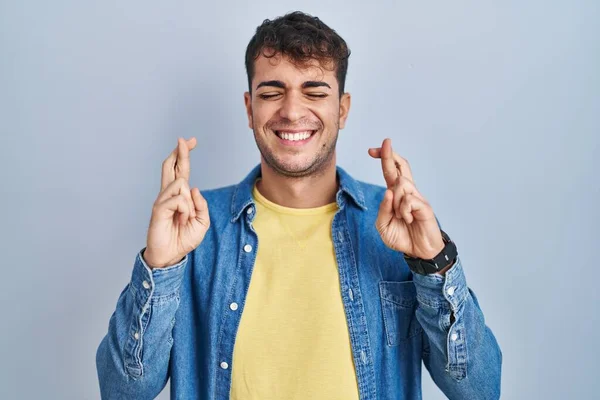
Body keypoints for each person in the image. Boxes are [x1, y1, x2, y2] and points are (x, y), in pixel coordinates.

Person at [96, 11, 502, 400]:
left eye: (314, 92)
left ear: (341, 109)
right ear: (249, 108)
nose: (291, 111)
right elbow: (122, 392)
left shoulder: (397, 227)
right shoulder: (196, 231)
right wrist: (160, 266)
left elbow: (479, 390)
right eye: (272, 92)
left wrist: (433, 262)